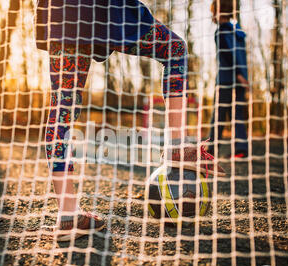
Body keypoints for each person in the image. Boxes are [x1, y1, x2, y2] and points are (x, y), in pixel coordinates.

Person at [35, 0, 224, 241]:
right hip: (103, 8)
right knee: (175, 49)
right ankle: (176, 146)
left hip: (62, 12)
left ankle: (68, 215)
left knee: (62, 108)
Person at [208, 0, 249, 159]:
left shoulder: (221, 32)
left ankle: (211, 150)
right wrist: (243, 77)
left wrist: (238, 73)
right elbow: (241, 56)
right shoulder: (238, 31)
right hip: (239, 80)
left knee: (218, 115)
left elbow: (227, 55)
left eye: (213, 12)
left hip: (226, 79)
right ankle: (241, 149)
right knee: (236, 114)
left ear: (218, 12)